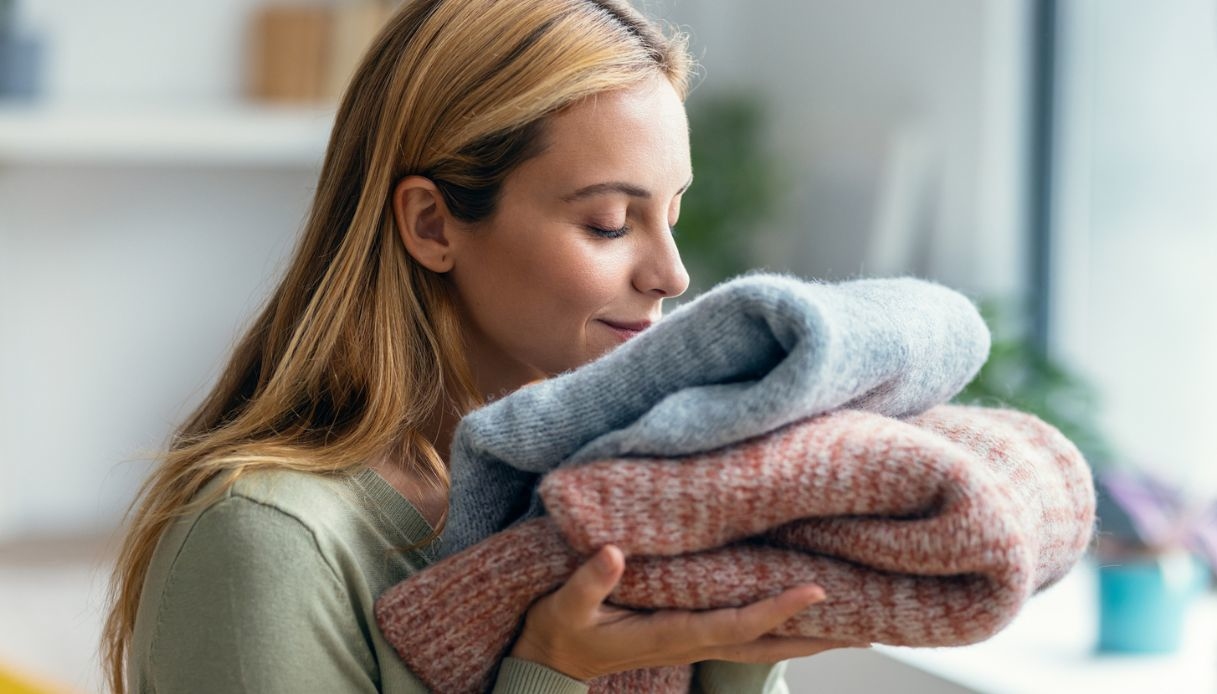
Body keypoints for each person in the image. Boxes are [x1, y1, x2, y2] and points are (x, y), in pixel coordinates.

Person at [101, 1, 868, 691]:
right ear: (432, 225)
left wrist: (737, 646)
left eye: (671, 212)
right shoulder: (264, 542)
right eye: (608, 222)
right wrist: (552, 672)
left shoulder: (610, 493)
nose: (671, 273)